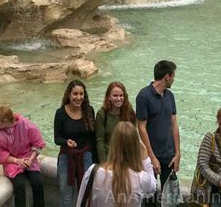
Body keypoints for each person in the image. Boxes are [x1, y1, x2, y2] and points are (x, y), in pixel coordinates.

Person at [76, 121, 156, 206]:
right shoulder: (141, 178)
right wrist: (145, 157)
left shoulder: (94, 172)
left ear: (113, 144)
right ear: (136, 148)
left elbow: (81, 202)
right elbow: (153, 187)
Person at [136, 60, 180, 204]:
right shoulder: (143, 96)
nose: (174, 79)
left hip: (169, 156)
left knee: (170, 200)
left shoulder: (170, 96)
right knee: (149, 199)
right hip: (150, 158)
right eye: (173, 76)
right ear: (167, 76)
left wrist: (177, 153)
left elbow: (174, 124)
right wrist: (151, 157)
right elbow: (141, 127)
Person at [0, 105, 45, 207]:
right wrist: (17, 161)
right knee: (19, 185)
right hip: (12, 162)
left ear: (5, 121)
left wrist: (31, 159)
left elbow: (38, 143)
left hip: (29, 157)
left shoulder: (26, 125)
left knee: (38, 182)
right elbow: (0, 153)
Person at [54, 80, 96, 207]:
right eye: (75, 94)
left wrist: (96, 160)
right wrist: (66, 142)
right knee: (66, 194)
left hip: (86, 155)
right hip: (67, 156)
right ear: (69, 95)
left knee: (85, 193)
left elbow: (93, 137)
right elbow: (57, 138)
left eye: (81, 94)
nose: (78, 97)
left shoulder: (89, 110)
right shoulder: (60, 113)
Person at [95, 82, 136, 164]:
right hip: (109, 159)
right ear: (108, 97)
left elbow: (134, 137)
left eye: (121, 95)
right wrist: (103, 163)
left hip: (127, 159)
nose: (118, 99)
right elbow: (100, 140)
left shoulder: (130, 112)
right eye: (115, 95)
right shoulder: (102, 114)